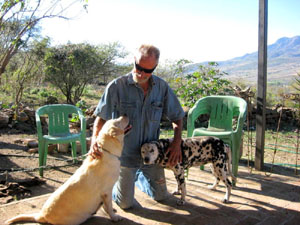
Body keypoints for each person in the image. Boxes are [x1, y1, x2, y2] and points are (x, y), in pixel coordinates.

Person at [89, 44, 185, 209]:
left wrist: (176, 144)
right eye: (138, 67)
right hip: (124, 156)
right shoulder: (116, 86)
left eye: (148, 71)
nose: (141, 73)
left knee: (161, 196)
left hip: (151, 155)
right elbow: (101, 118)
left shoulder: (161, 87)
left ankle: (137, 178)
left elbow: (177, 117)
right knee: (126, 204)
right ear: (134, 60)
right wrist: (94, 142)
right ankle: (114, 186)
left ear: (155, 67)